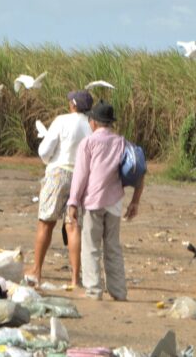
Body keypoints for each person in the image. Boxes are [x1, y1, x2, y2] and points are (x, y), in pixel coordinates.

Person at [67, 100, 144, 301]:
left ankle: (93, 290)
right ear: (110, 123)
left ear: (93, 122)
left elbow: (80, 175)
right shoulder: (122, 142)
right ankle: (119, 292)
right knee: (113, 247)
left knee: (91, 247)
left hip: (93, 201)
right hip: (115, 203)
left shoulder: (89, 143)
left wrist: (73, 203)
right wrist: (135, 201)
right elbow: (140, 169)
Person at [26, 90, 93, 289]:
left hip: (58, 172)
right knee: (73, 226)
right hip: (80, 177)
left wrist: (49, 162)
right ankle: (75, 279)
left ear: (73, 104)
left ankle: (37, 270)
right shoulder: (91, 125)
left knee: (46, 223)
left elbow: (45, 150)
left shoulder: (62, 120)